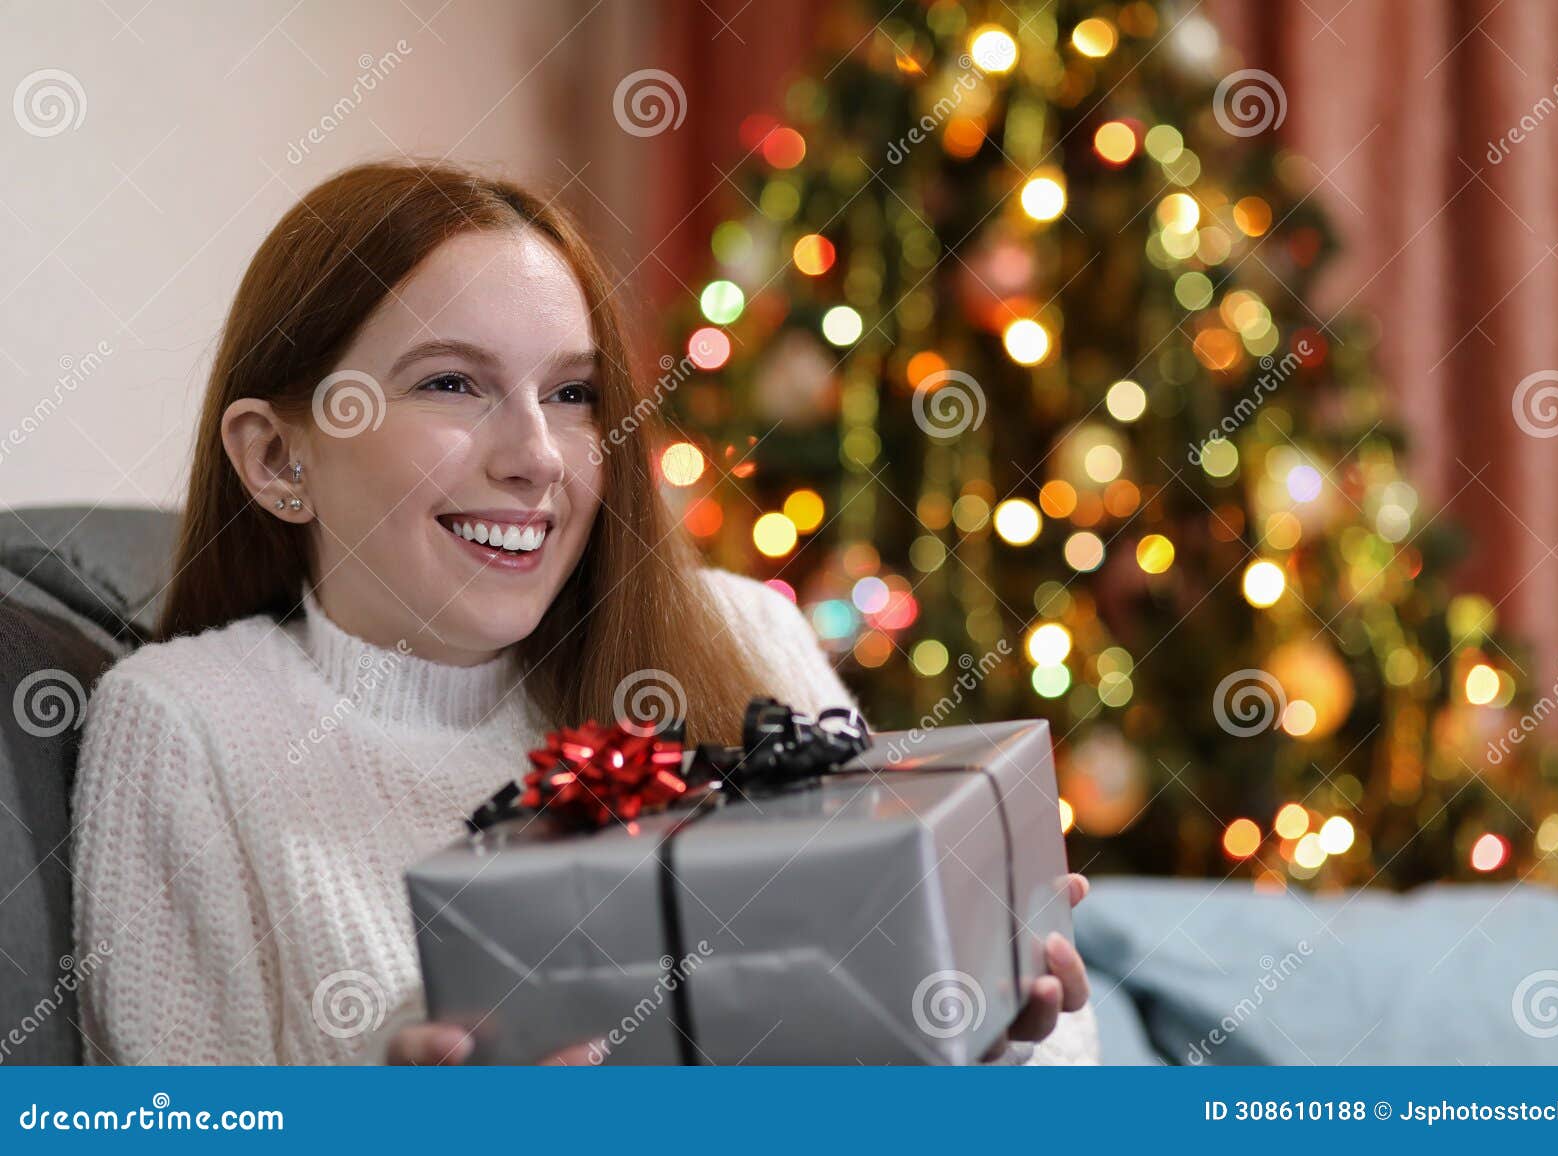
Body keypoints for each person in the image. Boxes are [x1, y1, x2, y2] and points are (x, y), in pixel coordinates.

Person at [72, 158, 1095, 1066]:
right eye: (451, 382)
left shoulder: (741, 630)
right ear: (277, 455)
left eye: (573, 395)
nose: (537, 456)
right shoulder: (187, 725)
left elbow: (1053, 1060)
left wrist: (989, 1044)